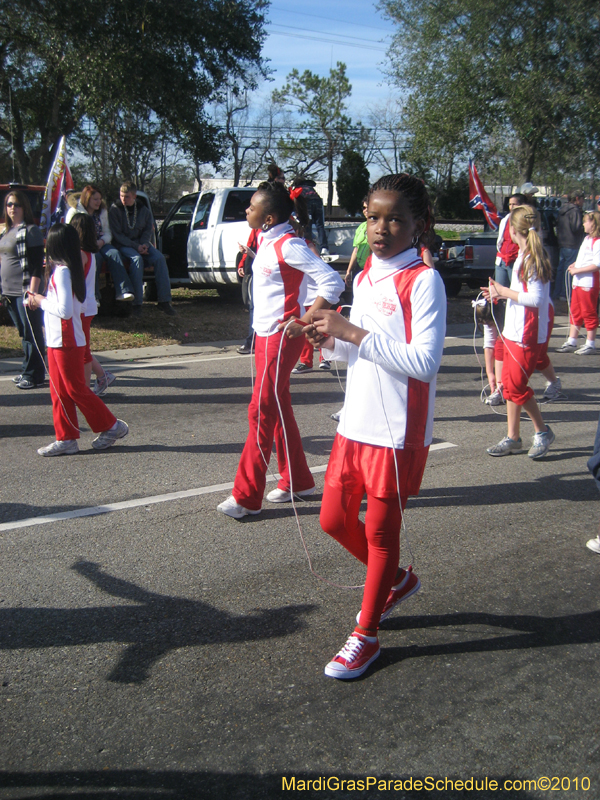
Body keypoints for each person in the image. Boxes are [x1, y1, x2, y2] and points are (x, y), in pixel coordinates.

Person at [305, 174, 446, 679]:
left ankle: (365, 635)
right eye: (373, 217)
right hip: (355, 422)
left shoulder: (423, 280)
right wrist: (328, 340)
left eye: (394, 219)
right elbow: (353, 350)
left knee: (381, 534)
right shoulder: (363, 277)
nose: (381, 227)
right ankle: (398, 583)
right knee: (332, 521)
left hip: (397, 432)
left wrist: (351, 330)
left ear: (419, 225)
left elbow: (423, 362)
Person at [216, 181, 344, 519]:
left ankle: (245, 496)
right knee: (278, 406)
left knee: (260, 411)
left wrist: (304, 319)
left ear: (269, 217)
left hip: (282, 338)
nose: (246, 210)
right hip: (262, 335)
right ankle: (297, 480)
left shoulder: (290, 245)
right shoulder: (266, 239)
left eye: (252, 206)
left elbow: (333, 282)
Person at [26, 223, 129, 456]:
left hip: (67, 340)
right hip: (58, 340)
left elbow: (64, 310)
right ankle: (66, 437)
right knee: (59, 392)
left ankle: (112, 426)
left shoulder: (63, 271)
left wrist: (40, 300)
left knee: (74, 390)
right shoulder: (65, 270)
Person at [483, 205, 555, 459]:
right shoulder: (526, 256)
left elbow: (535, 299)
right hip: (515, 331)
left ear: (513, 230)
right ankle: (513, 437)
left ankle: (542, 431)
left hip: (527, 334)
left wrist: (503, 291)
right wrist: (498, 293)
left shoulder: (533, 258)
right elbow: (523, 296)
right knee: (511, 386)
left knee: (514, 385)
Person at [0, 190, 46, 389]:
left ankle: (34, 374)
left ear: (24, 207)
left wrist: (32, 294)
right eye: (9, 204)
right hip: (8, 291)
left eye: (16, 204)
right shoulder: (5, 231)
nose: (12, 208)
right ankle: (27, 369)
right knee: (23, 333)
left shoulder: (31, 230)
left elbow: (37, 265)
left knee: (31, 333)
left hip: (24, 290)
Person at [108, 183, 175, 316]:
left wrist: (144, 244)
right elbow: (117, 235)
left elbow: (148, 229)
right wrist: (136, 247)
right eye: (121, 196)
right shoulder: (115, 210)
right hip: (125, 245)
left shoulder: (143, 210)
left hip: (142, 244)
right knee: (137, 260)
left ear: (134, 196)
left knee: (159, 258)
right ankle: (136, 303)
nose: (123, 199)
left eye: (126, 196)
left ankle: (164, 301)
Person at [69, 213, 116, 395]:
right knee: (84, 348)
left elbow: (75, 281)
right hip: (87, 305)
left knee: (83, 351)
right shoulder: (89, 252)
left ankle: (86, 388)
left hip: (82, 307)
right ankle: (102, 376)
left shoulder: (81, 254)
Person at [66, 184, 134, 303]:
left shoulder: (102, 211)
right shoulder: (75, 211)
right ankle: (94, 296)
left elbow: (108, 232)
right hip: (84, 245)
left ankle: (123, 291)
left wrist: (102, 241)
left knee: (114, 254)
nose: (98, 202)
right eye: (95, 199)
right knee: (95, 259)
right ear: (87, 199)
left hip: (101, 242)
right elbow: (69, 233)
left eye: (100, 199)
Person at [556, 211, 600, 355]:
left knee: (589, 312)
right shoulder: (587, 239)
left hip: (588, 282)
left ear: (593, 223)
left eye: (586, 221)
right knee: (575, 311)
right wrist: (575, 265)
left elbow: (596, 264)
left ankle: (590, 343)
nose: (583, 224)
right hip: (578, 282)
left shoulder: (597, 241)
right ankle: (572, 341)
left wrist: (578, 270)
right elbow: (585, 259)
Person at [553, 190, 584, 301]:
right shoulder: (574, 211)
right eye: (582, 199)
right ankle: (565, 294)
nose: (583, 201)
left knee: (561, 269)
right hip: (572, 244)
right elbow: (576, 228)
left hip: (562, 243)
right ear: (577, 198)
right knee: (569, 270)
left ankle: (557, 293)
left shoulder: (562, 209)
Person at [290, 177, 329, 255]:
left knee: (307, 224)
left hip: (307, 202)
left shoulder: (298, 189)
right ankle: (324, 248)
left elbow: (296, 203)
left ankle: (309, 247)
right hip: (318, 202)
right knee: (320, 225)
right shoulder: (310, 187)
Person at [495, 194, 525, 288]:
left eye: (514, 204)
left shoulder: (524, 220)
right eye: (510, 204)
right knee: (499, 290)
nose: (511, 207)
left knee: (516, 289)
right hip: (502, 259)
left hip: (515, 258)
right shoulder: (505, 219)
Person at [344, 197, 370, 286]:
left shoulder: (379, 227)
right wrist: (348, 271)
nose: (366, 210)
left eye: (368, 207)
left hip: (371, 269)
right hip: (359, 268)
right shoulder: (361, 227)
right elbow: (356, 250)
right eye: (364, 207)